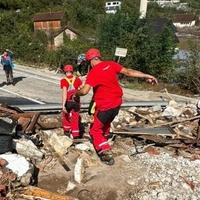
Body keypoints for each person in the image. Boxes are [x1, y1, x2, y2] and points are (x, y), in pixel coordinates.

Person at [75, 48, 158, 165]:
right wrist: (146, 76)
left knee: (94, 130)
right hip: (117, 103)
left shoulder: (93, 72)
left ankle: (105, 152)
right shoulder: (111, 64)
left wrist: (75, 93)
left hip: (104, 105)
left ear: (90, 61)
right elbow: (129, 72)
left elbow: (84, 91)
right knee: (106, 122)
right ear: (99, 57)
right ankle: (105, 138)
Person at [60, 64, 82, 139]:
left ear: (65, 72)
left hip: (68, 101)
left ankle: (67, 132)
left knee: (66, 116)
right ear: (72, 71)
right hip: (76, 102)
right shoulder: (77, 79)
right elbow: (80, 89)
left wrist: (63, 105)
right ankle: (75, 135)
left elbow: (64, 92)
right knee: (75, 118)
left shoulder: (63, 80)